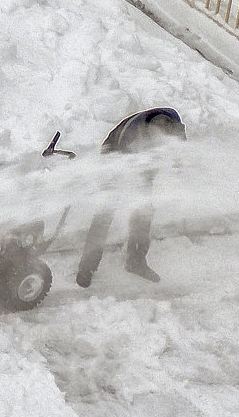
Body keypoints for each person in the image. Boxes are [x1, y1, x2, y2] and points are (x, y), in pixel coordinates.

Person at [75, 107, 186, 288]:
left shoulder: (173, 121)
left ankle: (136, 261)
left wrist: (177, 163)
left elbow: (179, 147)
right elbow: (128, 169)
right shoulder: (132, 135)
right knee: (106, 211)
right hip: (115, 151)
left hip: (145, 158)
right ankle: (86, 268)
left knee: (144, 209)